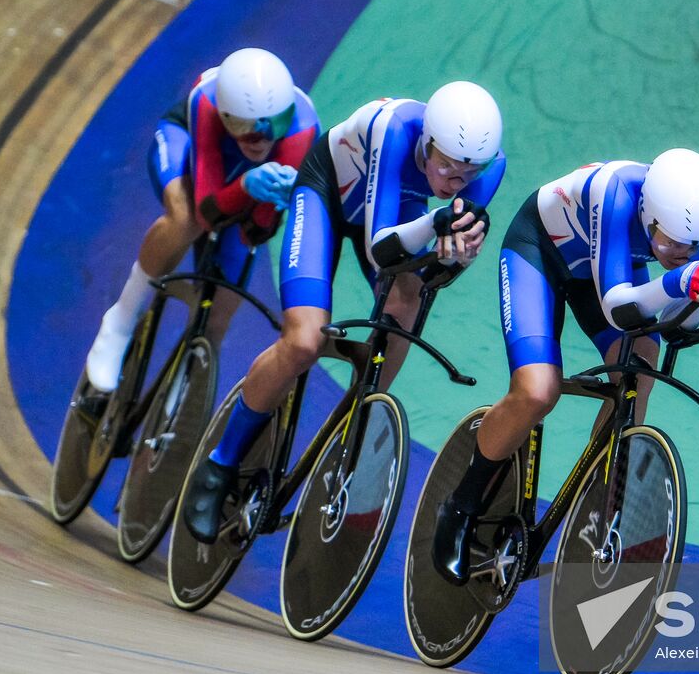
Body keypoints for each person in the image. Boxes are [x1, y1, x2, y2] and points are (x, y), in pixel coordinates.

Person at [182, 81, 508, 543]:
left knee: (409, 297)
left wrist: (454, 256)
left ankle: (358, 417)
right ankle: (219, 465)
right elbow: (380, 249)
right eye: (447, 167)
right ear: (426, 142)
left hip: (399, 211)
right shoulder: (394, 132)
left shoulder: (487, 169)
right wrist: (436, 226)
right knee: (303, 341)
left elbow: (436, 259)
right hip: (326, 198)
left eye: (467, 174)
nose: (454, 183)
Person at [432, 148, 699, 584]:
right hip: (538, 254)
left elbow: (679, 325)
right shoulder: (615, 194)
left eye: (694, 247)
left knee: (639, 368)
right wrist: (679, 282)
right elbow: (617, 307)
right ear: (647, 213)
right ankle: (461, 506)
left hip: (607, 267)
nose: (682, 252)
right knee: (538, 390)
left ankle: (596, 513)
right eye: (670, 241)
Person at [83, 48, 319, 395]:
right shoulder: (205, 103)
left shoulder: (302, 128)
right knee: (184, 220)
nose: (262, 140)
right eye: (244, 128)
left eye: (273, 126)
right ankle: (122, 317)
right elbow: (207, 212)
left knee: (224, 302)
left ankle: (182, 395)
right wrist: (245, 186)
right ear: (224, 115)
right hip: (187, 146)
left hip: (237, 183)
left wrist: (267, 204)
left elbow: (257, 232)